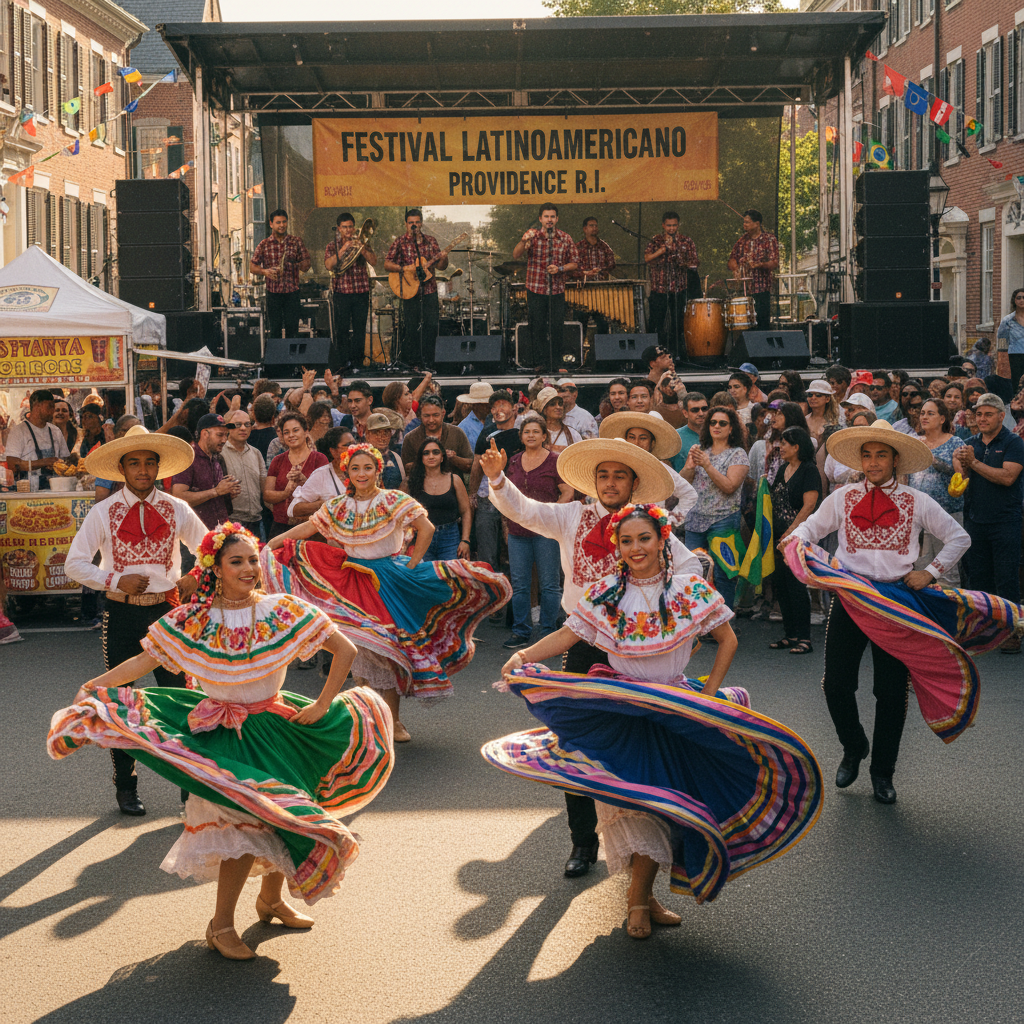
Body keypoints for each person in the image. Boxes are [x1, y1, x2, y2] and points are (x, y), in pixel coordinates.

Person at [51, 522, 394, 960]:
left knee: (283, 817)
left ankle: (271, 901)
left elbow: (344, 649)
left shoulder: (282, 610)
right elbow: (144, 660)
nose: (249, 568)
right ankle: (221, 925)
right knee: (243, 826)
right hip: (223, 736)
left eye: (253, 559)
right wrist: (94, 685)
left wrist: (324, 704)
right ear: (215, 567)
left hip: (279, 726)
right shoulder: (194, 619)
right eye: (237, 561)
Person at [486, 503, 821, 939]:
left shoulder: (688, 590)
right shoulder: (607, 592)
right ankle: (639, 899)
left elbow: (728, 639)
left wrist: (705, 698)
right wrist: (525, 655)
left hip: (676, 709)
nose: (636, 547)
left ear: (663, 540)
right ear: (617, 547)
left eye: (644, 538)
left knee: (668, 805)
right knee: (638, 803)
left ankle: (640, 896)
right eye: (626, 541)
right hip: (622, 708)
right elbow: (571, 634)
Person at [482, 435, 703, 879]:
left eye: (619, 475)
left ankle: (643, 848)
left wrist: (662, 606)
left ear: (633, 483)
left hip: (637, 648)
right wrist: (496, 478)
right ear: (592, 482)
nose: (609, 482)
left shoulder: (647, 525)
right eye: (603, 474)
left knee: (642, 745)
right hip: (579, 642)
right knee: (576, 742)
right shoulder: (571, 516)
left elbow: (690, 569)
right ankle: (583, 843)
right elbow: (525, 511)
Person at [783, 421, 984, 805]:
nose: (873, 462)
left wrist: (930, 571)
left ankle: (882, 773)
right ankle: (854, 745)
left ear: (895, 460)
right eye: (867, 454)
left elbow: (960, 536)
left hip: (896, 603)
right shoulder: (842, 498)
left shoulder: (916, 500)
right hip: (853, 598)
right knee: (836, 684)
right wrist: (795, 542)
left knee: (890, 693)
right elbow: (809, 528)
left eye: (881, 455)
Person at [264, 443, 511, 743]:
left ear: (378, 470)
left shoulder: (393, 499)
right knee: (362, 652)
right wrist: (271, 544)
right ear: (347, 472)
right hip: (352, 582)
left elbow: (427, 528)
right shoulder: (338, 506)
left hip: (389, 581)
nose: (361, 473)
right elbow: (304, 529)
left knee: (389, 652)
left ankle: (393, 720)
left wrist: (412, 565)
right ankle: (370, 717)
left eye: (367, 467)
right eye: (355, 468)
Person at [65, 426, 206, 815]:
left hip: (167, 611)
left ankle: (188, 789)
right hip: (121, 611)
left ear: (159, 468)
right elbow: (74, 563)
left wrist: (198, 573)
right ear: (122, 468)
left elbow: (211, 544)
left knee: (180, 700)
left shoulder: (178, 508)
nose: (142, 470)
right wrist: (114, 579)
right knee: (119, 699)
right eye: (134, 463)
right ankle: (125, 786)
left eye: (149, 463)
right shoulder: (104, 511)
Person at [955, 394, 1024, 652]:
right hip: (975, 518)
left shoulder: (1013, 442)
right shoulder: (970, 442)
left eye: (987, 414)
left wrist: (973, 462)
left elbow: (1008, 477)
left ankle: (1012, 632)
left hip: (1005, 519)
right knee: (979, 578)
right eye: (978, 414)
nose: (981, 418)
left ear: (1000, 416)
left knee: (1006, 578)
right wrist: (961, 465)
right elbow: (961, 479)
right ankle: (983, 630)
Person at [501, 413, 574, 649]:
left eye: (535, 431)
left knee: (549, 584)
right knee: (520, 584)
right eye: (526, 432)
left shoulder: (555, 460)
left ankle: (549, 632)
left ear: (545, 436)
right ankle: (521, 631)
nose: (531, 435)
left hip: (547, 532)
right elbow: (506, 496)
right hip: (517, 533)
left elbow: (568, 492)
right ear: (521, 437)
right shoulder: (512, 462)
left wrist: (550, 513)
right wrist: (506, 524)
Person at [680, 405, 750, 609]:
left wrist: (708, 465)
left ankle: (724, 623)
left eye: (722, 423)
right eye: (713, 422)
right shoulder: (701, 451)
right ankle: (698, 622)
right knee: (694, 573)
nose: (716, 426)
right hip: (695, 520)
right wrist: (689, 467)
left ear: (731, 428)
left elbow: (729, 487)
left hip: (723, 520)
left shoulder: (738, 454)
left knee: (723, 574)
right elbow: (683, 483)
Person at [767, 426, 821, 656]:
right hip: (779, 536)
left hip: (797, 537)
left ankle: (804, 638)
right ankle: (790, 635)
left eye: (785, 443)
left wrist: (791, 531)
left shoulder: (809, 471)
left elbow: (809, 506)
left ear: (797, 447)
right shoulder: (783, 469)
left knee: (797, 586)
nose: (780, 447)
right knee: (782, 585)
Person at [598, 410, 696, 530]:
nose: (637, 443)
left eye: (643, 438)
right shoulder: (615, 467)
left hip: (653, 534)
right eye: (632, 437)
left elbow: (690, 495)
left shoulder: (661, 469)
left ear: (652, 443)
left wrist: (668, 520)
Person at [512, 203, 578, 370]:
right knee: (537, 327)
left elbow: (575, 263)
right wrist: (523, 240)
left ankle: (556, 363)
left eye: (552, 217)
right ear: (541, 218)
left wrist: (560, 268)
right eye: (546, 217)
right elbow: (516, 254)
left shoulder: (565, 238)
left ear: (557, 219)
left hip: (556, 289)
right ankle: (540, 363)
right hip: (535, 288)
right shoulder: (532, 235)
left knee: (557, 327)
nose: (549, 220)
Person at [468, 390, 524, 576]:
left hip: (516, 497)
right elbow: (477, 464)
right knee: (487, 552)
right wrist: (472, 493)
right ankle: (490, 597)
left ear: (514, 408)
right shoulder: (486, 433)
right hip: (488, 497)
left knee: (516, 551)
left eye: (503, 404)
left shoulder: (524, 432)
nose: (498, 409)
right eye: (494, 406)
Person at [385, 209, 448, 369]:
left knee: (431, 326)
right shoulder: (400, 242)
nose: (414, 225)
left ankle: (429, 362)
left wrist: (444, 257)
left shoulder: (430, 241)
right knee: (411, 327)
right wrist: (406, 269)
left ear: (421, 223)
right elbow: (387, 264)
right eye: (411, 222)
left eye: (417, 222)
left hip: (429, 291)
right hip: (408, 290)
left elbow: (441, 266)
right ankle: (413, 363)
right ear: (406, 224)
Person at [263, 412, 328, 541]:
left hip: (310, 528)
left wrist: (304, 481)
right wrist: (286, 492)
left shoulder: (319, 459)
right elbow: (267, 495)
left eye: (296, 430)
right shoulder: (278, 460)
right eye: (286, 432)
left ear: (306, 431)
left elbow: (326, 496)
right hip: (280, 527)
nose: (291, 435)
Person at [171, 413, 241, 530]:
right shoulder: (188, 458)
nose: (224, 440)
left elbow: (213, 495)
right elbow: (178, 496)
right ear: (204, 434)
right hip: (196, 534)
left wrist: (228, 493)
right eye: (219, 435)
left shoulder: (217, 458)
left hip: (220, 531)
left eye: (226, 435)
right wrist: (216, 492)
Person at [325, 212, 376, 371]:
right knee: (342, 329)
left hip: (361, 291)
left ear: (354, 228)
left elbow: (374, 261)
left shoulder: (362, 243)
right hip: (341, 292)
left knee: (360, 329)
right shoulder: (332, 245)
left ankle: (357, 363)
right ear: (339, 229)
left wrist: (362, 250)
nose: (348, 230)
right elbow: (328, 265)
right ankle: (342, 363)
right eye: (345, 227)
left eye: (350, 227)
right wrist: (343, 249)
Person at [250, 209, 312, 339]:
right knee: (275, 329)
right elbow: (252, 267)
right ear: (271, 224)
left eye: (284, 222)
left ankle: (291, 358)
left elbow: (306, 265)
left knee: (293, 329)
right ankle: (276, 359)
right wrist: (265, 271)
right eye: (278, 222)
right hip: (273, 293)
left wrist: (296, 263)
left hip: (292, 292)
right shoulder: (264, 244)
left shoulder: (296, 241)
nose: (282, 225)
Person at [407, 439, 473, 562]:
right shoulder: (411, 482)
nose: (431, 456)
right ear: (421, 458)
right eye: (426, 453)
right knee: (426, 578)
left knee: (449, 577)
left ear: (442, 457)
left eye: (435, 452)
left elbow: (466, 511)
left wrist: (465, 540)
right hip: (422, 537)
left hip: (450, 537)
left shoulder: (455, 480)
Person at [645, 211, 697, 355]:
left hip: (679, 288)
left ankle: (676, 354)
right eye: (668, 226)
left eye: (674, 225)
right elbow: (647, 258)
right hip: (659, 288)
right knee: (657, 323)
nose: (671, 229)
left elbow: (694, 263)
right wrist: (661, 251)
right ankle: (655, 354)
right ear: (663, 225)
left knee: (678, 323)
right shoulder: (656, 240)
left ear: (678, 225)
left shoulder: (686, 241)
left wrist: (683, 262)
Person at [4, 388, 70, 489]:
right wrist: (44, 462)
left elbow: (66, 459)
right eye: (50, 406)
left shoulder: (55, 431)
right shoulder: (19, 431)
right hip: (28, 492)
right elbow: (13, 465)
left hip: (56, 489)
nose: (52, 410)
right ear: (37, 406)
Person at [727, 209, 779, 330]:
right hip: (745, 291)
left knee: (762, 324)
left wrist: (759, 265)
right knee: (746, 326)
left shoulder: (769, 239)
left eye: (747, 222)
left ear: (757, 223)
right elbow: (731, 260)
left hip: (762, 289)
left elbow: (774, 263)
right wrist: (735, 268)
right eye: (744, 222)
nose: (744, 225)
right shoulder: (742, 241)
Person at [220, 409, 268, 541]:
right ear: (228, 427)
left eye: (247, 424)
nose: (243, 428)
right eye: (237, 424)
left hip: (257, 522)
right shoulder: (220, 454)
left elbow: (264, 488)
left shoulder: (256, 453)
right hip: (231, 522)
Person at [401, 393, 473, 474]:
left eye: (435, 415)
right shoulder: (411, 438)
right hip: (421, 485)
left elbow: (470, 465)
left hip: (453, 484)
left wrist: (453, 458)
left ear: (443, 413)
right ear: (420, 415)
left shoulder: (457, 433)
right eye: (426, 416)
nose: (431, 420)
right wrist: (426, 459)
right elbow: (406, 469)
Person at [533, 386, 581, 454]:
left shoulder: (573, 435)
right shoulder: (535, 434)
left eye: (560, 404)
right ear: (544, 410)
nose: (558, 407)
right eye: (552, 404)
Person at [365, 412, 404, 489]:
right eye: (376, 433)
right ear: (367, 435)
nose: (382, 438)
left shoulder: (396, 457)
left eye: (386, 433)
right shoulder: (360, 458)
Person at [670, 393, 708, 471]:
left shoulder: (717, 434)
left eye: (704, 409)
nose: (701, 413)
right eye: (695, 410)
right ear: (685, 413)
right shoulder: (675, 437)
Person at [454, 382, 494, 451]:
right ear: (475, 405)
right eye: (485, 404)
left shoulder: (495, 421)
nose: (489, 407)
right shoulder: (463, 427)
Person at [805, 379, 840, 449]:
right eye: (810, 394)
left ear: (827, 399)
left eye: (818, 395)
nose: (813, 398)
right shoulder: (804, 420)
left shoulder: (836, 421)